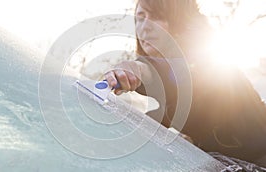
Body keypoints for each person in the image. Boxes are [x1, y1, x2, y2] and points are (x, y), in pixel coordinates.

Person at [105, 0, 266, 167]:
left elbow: (176, 75)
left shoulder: (209, 65)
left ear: (180, 22)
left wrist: (137, 69)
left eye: (156, 16)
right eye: (140, 17)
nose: (144, 26)